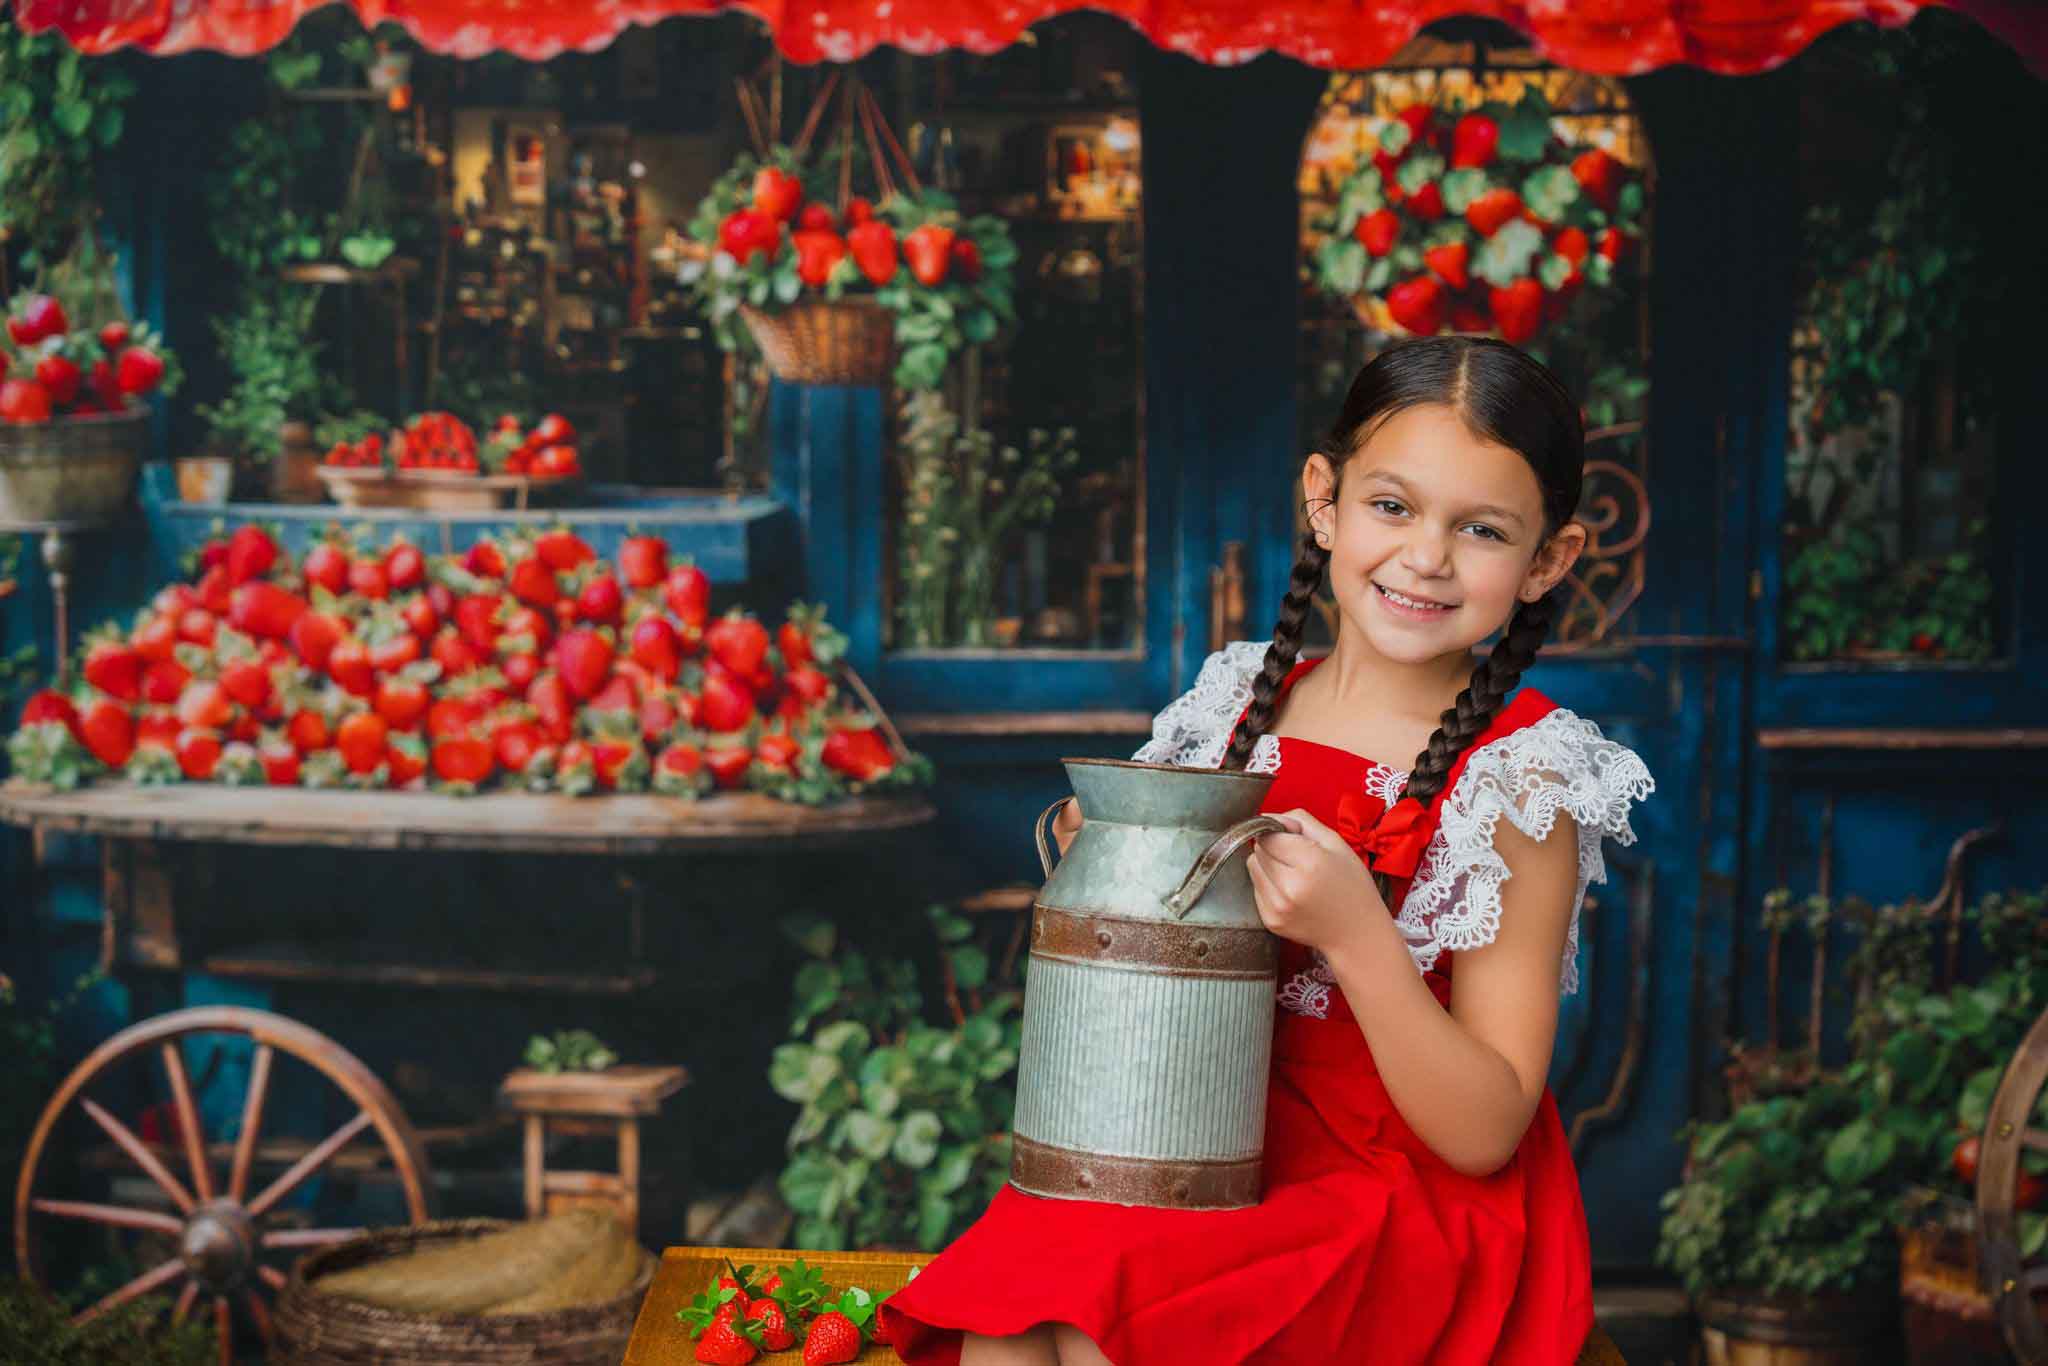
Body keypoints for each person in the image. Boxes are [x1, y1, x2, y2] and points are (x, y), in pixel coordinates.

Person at [879, 336, 1655, 1365]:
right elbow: (1150, 985)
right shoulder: (1233, 706)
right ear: (1323, 502)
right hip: (1194, 1123)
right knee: (1011, 1322)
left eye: (1478, 529)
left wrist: (1356, 936)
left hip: (1397, 1189)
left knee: (1108, 1323)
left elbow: (1483, 1130)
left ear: (1545, 561)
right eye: (1392, 506)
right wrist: (1111, 872)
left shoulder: (1521, 778)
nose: (1425, 556)